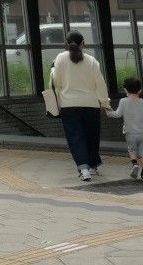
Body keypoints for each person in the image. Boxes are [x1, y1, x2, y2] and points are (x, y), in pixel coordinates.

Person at [50, 30, 111, 181]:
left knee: (75, 137)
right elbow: (100, 83)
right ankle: (93, 165)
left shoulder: (60, 58)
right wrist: (104, 102)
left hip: (68, 105)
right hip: (91, 104)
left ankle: (83, 169)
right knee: (92, 136)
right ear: (83, 44)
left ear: (66, 44)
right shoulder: (91, 61)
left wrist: (52, 71)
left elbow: (56, 82)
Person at [108, 76, 143, 180]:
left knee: (132, 150)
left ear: (125, 89)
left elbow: (117, 114)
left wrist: (107, 110)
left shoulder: (123, 101)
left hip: (130, 133)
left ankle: (134, 163)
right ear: (140, 90)